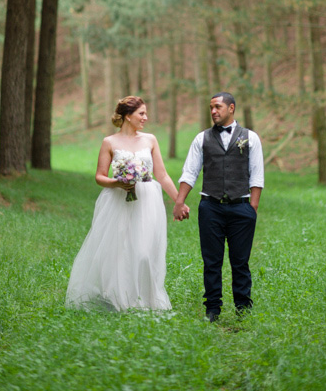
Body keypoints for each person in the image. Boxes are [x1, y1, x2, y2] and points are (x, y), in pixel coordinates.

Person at [66, 95, 188, 312]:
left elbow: (162, 175)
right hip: (118, 201)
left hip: (148, 202)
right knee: (120, 249)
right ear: (127, 116)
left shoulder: (150, 139)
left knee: (144, 252)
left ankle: (146, 299)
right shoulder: (109, 142)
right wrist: (118, 182)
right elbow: (99, 176)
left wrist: (179, 200)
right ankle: (117, 297)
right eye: (141, 113)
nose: (146, 118)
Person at [173, 92, 264, 322]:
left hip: (241, 208)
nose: (213, 111)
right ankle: (212, 310)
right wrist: (180, 201)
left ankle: (243, 309)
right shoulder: (201, 138)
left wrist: (252, 208)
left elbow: (257, 175)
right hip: (210, 207)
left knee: (240, 262)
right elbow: (190, 172)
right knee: (211, 261)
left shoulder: (250, 138)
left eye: (218, 107)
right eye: (211, 107)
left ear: (231, 108)